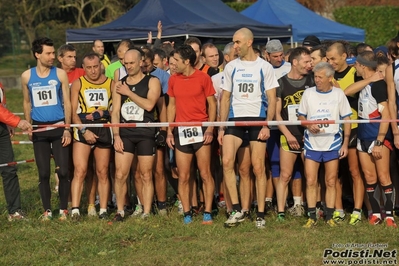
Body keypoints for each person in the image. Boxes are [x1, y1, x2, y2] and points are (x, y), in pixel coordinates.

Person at [218, 28, 278, 229]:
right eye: (233, 42)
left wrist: (266, 124)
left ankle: (260, 213)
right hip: (234, 119)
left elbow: (271, 98)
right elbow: (225, 98)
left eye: (237, 42)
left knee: (257, 167)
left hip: (257, 119)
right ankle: (236, 210)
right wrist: (221, 126)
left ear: (249, 42)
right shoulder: (231, 66)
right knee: (227, 161)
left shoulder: (265, 67)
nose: (235, 46)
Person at [21, 37, 72, 221]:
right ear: (37, 54)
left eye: (53, 53)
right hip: (39, 130)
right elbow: (27, 102)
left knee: (63, 171)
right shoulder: (27, 76)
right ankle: (47, 210)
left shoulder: (60, 74)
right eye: (48, 53)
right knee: (43, 172)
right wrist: (28, 125)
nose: (52, 56)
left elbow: (67, 102)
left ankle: (64, 209)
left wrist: (67, 128)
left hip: (59, 127)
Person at [166, 45, 217, 225]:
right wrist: (169, 132)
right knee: (184, 175)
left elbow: (212, 104)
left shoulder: (203, 78)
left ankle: (208, 212)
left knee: (204, 173)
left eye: (177, 61)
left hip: (201, 129)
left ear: (187, 61)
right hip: (181, 131)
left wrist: (210, 128)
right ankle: (187, 212)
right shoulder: (173, 80)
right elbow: (171, 106)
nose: (174, 65)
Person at [298, 62, 352, 228]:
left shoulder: (338, 94)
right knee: (311, 180)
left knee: (330, 180)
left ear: (330, 78)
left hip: (332, 143)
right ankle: (312, 216)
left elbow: (347, 119)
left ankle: (329, 216)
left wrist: (345, 143)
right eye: (315, 76)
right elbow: (301, 117)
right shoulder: (308, 93)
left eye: (320, 77)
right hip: (312, 144)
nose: (317, 80)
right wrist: (308, 125)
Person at [111, 49, 161, 221]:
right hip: (125, 133)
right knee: (120, 174)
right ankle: (120, 210)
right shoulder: (119, 84)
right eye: (126, 63)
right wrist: (116, 135)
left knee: (146, 174)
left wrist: (129, 93)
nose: (128, 66)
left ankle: (147, 211)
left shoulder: (152, 81)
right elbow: (115, 111)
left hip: (145, 132)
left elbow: (149, 105)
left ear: (141, 62)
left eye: (132, 63)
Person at [348, 51, 396, 227]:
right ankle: (376, 213)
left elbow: (386, 115)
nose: (354, 67)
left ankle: (389, 215)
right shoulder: (364, 83)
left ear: (362, 65)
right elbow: (347, 91)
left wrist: (379, 141)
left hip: (377, 137)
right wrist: (369, 79)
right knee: (369, 177)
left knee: (384, 177)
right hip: (362, 136)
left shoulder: (378, 87)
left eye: (356, 65)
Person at [70, 53, 113, 220]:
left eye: (96, 66)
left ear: (101, 65)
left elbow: (115, 110)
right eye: (89, 67)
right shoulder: (78, 83)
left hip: (104, 127)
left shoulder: (111, 83)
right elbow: (72, 112)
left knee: (102, 171)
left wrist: (104, 112)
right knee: (80, 171)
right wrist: (83, 130)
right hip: (83, 127)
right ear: (84, 68)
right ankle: (75, 210)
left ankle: (102, 210)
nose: (93, 70)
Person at [326, 42, 363, 224]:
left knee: (354, 170)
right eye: (328, 59)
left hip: (354, 127)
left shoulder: (355, 73)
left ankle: (357, 210)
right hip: (334, 130)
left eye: (333, 58)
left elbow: (359, 93)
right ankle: (338, 210)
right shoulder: (327, 76)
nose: (330, 62)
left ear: (344, 56)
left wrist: (341, 91)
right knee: (335, 174)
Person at [275, 47, 314, 221]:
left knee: (311, 176)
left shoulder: (313, 81)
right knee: (285, 175)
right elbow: (276, 114)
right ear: (295, 62)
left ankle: (314, 209)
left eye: (310, 61)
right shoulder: (281, 83)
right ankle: (281, 212)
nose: (309, 64)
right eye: (306, 61)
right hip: (288, 135)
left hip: (310, 136)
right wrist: (288, 135)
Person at [0, 102, 32, 221]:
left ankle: (14, 212)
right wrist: (16, 121)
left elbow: (2, 104)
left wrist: (6, 122)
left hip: (2, 128)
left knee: (9, 169)